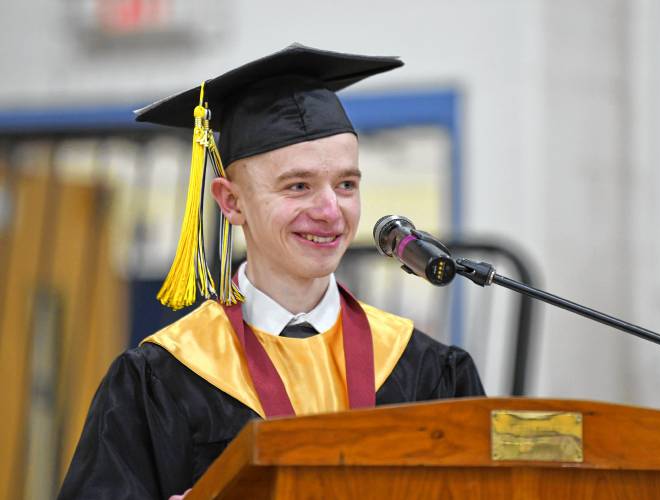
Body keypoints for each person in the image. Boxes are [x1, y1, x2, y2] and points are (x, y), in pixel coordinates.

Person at [58, 44, 484, 499]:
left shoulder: (428, 371)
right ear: (231, 202)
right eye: (298, 186)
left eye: (346, 184)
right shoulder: (162, 381)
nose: (329, 210)